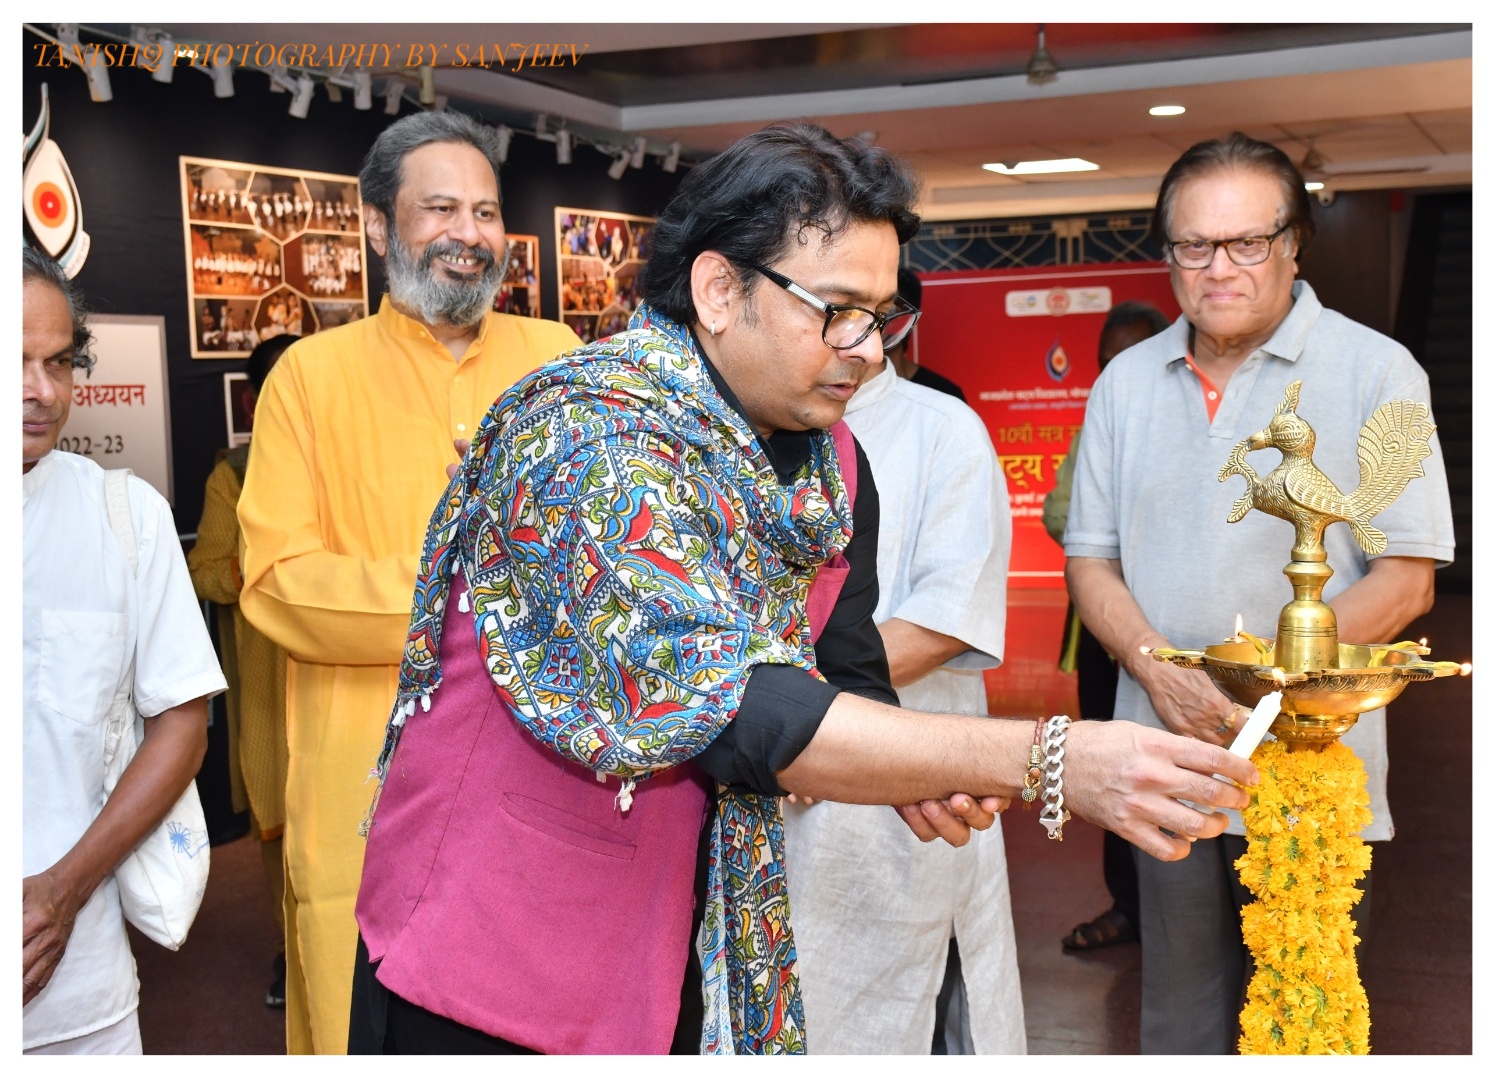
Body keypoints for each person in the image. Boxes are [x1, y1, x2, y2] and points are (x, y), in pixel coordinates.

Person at [348, 122, 1257, 1056]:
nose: (865, 350)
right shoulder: (592, 438)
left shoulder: (825, 459)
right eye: (836, 310)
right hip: (497, 944)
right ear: (718, 290)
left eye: (880, 317)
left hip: (686, 933)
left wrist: (920, 770)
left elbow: (844, 662)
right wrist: (1047, 757)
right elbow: (734, 706)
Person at [1064, 132, 1455, 1054]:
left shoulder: (1376, 370)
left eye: (1246, 242)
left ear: (1292, 244)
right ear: (1168, 254)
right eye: (1193, 245)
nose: (1219, 268)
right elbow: (1090, 563)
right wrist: (1160, 672)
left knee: (1303, 1012)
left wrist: (1260, 687)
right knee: (1179, 1013)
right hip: (1164, 755)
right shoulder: (1124, 383)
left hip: (1312, 761)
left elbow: (1405, 581)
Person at [236, 110, 583, 1054]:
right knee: (364, 1029)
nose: (468, 233)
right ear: (377, 226)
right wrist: (473, 594)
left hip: (537, 773)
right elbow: (277, 581)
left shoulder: (559, 361)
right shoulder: (309, 378)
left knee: (532, 1012)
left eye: (486, 211)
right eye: (439, 209)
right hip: (366, 781)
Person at [781, 286, 1020, 1053]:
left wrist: (795, 714)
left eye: (866, 318)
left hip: (899, 775)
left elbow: (942, 623)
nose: (851, 341)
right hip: (765, 768)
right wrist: (777, 722)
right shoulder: (742, 426)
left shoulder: (941, 428)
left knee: (898, 1002)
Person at [23, 246, 227, 1053]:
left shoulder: (125, 516)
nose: (42, 391)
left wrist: (62, 891)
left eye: (58, 362)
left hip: (79, 986)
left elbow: (181, 725)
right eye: (15, 363)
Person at [1042, 300, 1170, 952]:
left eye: (1130, 357)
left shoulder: (1191, 428)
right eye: (1104, 362)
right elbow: (1059, 513)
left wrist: (1117, 537)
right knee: (1112, 763)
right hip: (1103, 629)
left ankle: (1187, 915)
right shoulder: (1097, 429)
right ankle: (1128, 904)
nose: (1115, 372)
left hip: (1180, 635)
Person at [187, 333, 300, 1009]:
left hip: (353, 682)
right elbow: (204, 570)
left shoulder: (347, 456)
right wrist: (260, 571)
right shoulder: (232, 473)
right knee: (281, 828)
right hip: (267, 688)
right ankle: (293, 952)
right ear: (254, 402)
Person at [884, 267, 965, 401]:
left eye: (887, 311)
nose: (876, 320)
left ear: (911, 320)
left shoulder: (945, 395)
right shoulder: (851, 390)